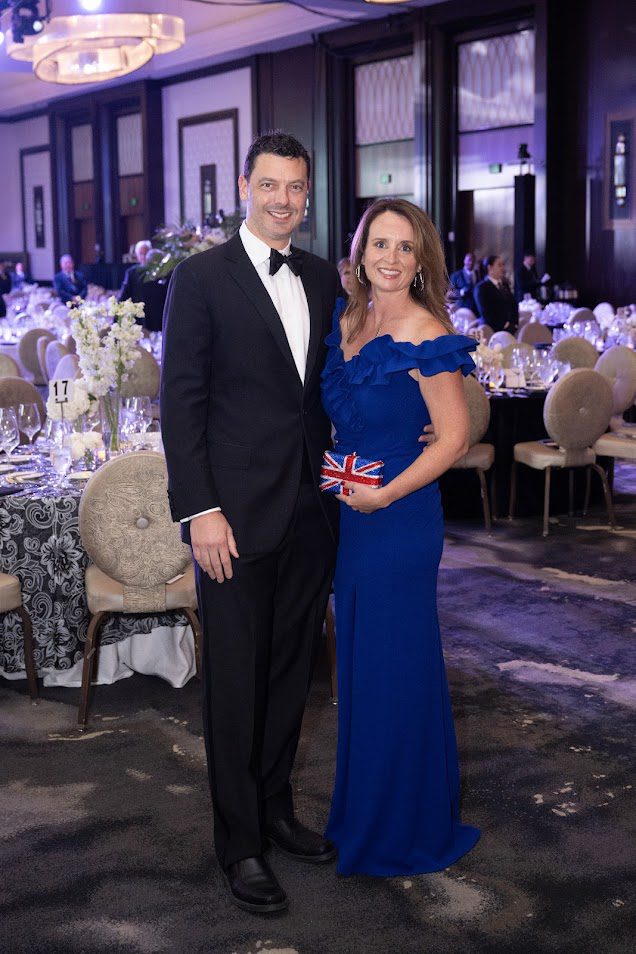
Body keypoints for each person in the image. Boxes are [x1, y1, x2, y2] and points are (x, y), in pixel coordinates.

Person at [160, 131, 342, 914]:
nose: (283, 200)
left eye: (295, 187)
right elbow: (181, 404)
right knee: (235, 682)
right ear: (244, 186)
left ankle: (275, 809)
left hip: (310, 509)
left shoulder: (322, 275)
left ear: (307, 192)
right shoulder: (201, 278)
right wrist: (200, 510)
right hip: (230, 520)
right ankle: (239, 844)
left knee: (290, 673)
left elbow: (324, 392)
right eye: (270, 185)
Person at [321, 197, 480, 876]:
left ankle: (402, 826)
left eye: (405, 247)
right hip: (349, 515)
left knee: (394, 666)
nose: (390, 258)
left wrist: (385, 494)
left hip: (399, 518)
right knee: (361, 665)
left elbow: (454, 438)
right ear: (360, 253)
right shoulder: (348, 319)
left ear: (421, 261)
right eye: (379, 244)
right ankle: (368, 813)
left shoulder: (425, 331)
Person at [474, 255, 517, 332]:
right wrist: (504, 325)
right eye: (499, 265)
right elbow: (486, 313)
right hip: (492, 331)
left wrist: (514, 324)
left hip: (510, 329)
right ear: (490, 268)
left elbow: (513, 305)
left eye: (503, 265)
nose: (503, 268)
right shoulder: (482, 288)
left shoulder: (504, 285)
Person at [118, 240, 153, 304]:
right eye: (141, 254)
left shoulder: (159, 271)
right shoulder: (131, 272)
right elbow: (124, 294)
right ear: (137, 256)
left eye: (146, 253)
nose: (143, 257)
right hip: (138, 308)